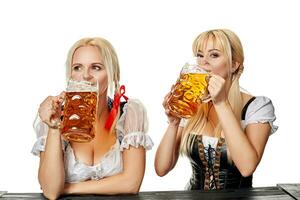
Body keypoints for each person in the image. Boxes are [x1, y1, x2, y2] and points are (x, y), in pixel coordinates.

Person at [154, 29, 277, 190]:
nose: (204, 62)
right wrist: (173, 124)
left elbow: (247, 167)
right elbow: (161, 169)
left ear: (234, 65)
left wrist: (221, 104)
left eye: (214, 55)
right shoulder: (193, 104)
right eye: (200, 55)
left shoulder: (256, 107)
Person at [31, 37, 153, 199]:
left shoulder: (129, 113)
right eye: (77, 68)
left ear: (112, 74)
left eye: (96, 67)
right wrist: (54, 127)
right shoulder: (54, 115)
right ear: (70, 75)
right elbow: (52, 191)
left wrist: (68, 188)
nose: (86, 75)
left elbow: (131, 183)